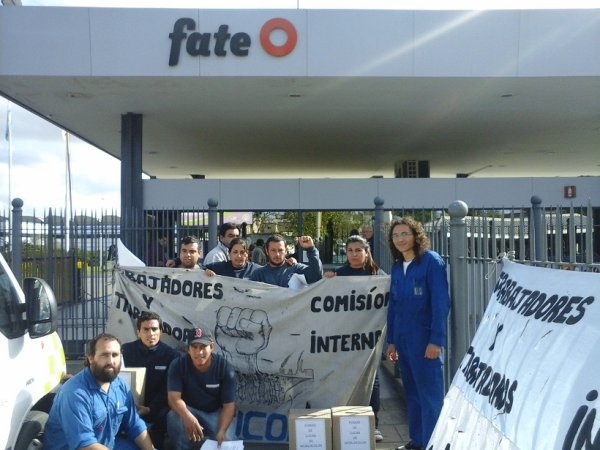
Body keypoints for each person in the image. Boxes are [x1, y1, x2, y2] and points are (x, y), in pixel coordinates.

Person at [385, 217, 450, 450]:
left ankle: (434, 444)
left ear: (416, 235)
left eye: (405, 234)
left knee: (430, 398)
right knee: (411, 394)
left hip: (425, 342)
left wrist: (436, 341)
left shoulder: (431, 261)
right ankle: (418, 441)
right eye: (395, 235)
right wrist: (391, 341)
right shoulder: (397, 265)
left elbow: (441, 304)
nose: (400, 239)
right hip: (403, 341)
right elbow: (393, 306)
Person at [44, 333, 154, 450]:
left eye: (115, 355)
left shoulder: (120, 385)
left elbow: (134, 425)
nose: (111, 361)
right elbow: (85, 445)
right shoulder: (75, 394)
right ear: (90, 358)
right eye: (105, 355)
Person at [324, 235, 386, 442]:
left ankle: (373, 423)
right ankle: (344, 421)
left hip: (369, 336)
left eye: (358, 250)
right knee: (342, 376)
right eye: (350, 250)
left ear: (366, 252)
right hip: (344, 336)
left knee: (372, 379)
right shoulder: (339, 275)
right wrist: (327, 283)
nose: (354, 254)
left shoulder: (378, 275)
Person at [167, 327, 237, 449]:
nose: (199, 352)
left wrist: (221, 431)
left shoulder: (224, 367)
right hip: (190, 410)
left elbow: (229, 405)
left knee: (227, 441)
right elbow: (173, 398)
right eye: (194, 347)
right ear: (188, 349)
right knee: (173, 416)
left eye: (203, 347)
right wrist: (187, 416)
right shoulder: (178, 365)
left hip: (216, 412)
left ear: (212, 347)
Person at [122, 311, 180, 450]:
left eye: (154, 329)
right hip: (130, 404)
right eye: (146, 329)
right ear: (138, 332)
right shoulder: (125, 351)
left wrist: (150, 409)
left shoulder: (171, 355)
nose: (150, 333)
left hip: (158, 407)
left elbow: (169, 389)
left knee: (165, 416)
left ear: (161, 331)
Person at [250, 234, 323, 287]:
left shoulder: (295, 269)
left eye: (280, 250)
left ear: (286, 251)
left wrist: (311, 249)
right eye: (273, 250)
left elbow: (316, 276)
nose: (277, 254)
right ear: (267, 251)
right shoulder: (258, 274)